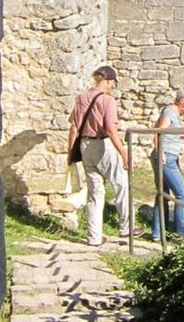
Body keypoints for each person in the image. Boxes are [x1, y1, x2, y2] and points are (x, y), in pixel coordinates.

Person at [68, 65, 131, 246]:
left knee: (95, 192)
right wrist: (123, 152)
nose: (112, 86)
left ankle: (94, 236)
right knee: (120, 183)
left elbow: (74, 128)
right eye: (112, 83)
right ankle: (126, 226)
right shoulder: (107, 101)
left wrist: (71, 151)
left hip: (85, 145)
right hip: (102, 144)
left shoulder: (81, 98)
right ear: (109, 81)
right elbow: (110, 129)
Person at [150, 90, 184, 241]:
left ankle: (157, 233)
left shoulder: (169, 111)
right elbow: (159, 131)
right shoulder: (170, 112)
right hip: (166, 157)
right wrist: (161, 151)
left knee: (163, 194)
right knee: (182, 195)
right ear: (182, 101)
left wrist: (178, 134)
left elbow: (161, 130)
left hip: (164, 157)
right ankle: (182, 235)